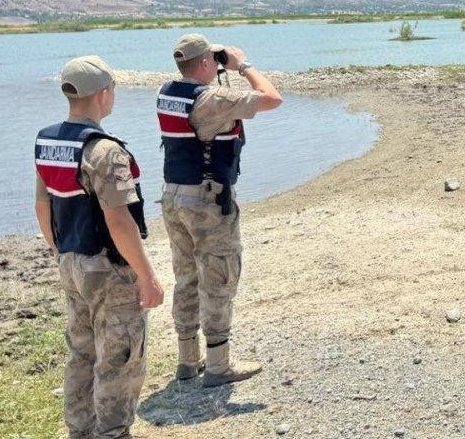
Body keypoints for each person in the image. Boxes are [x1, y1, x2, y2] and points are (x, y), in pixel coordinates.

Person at [34, 56, 164, 439]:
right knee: (120, 356)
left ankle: (80, 430)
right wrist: (147, 276)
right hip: (107, 267)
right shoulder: (105, 152)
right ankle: (113, 432)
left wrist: (59, 250)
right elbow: (119, 221)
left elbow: (43, 203)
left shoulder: (47, 140)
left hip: (71, 260)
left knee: (82, 350)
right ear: (104, 93)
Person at [156, 34, 282, 387]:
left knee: (186, 276)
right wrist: (243, 66)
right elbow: (272, 98)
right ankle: (218, 365)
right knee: (219, 278)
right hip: (207, 201)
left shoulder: (166, 92)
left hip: (173, 197)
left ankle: (187, 360)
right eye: (213, 58)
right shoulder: (211, 99)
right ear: (206, 63)